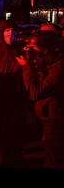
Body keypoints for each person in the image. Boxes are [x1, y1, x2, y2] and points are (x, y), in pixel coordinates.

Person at [0, 20, 28, 167]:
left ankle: (17, 157)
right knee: (2, 129)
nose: (10, 33)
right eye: (7, 30)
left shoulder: (23, 50)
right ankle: (6, 157)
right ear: (1, 32)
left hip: (19, 96)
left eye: (12, 30)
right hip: (1, 96)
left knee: (17, 129)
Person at [16, 30, 64, 167]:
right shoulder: (51, 64)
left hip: (56, 122)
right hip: (50, 119)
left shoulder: (59, 69)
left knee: (54, 161)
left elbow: (35, 92)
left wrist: (26, 67)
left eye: (35, 50)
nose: (32, 54)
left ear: (47, 50)